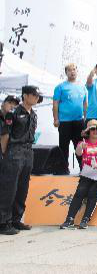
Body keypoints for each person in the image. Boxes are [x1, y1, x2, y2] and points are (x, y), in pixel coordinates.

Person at [59, 120, 97, 230]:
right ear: (88, 131)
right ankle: (69, 219)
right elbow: (78, 153)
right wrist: (81, 147)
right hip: (87, 173)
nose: (95, 131)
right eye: (92, 129)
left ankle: (85, 219)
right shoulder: (82, 142)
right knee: (80, 192)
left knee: (92, 192)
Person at [0, 85, 41, 235]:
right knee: (9, 188)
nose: (36, 98)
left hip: (28, 151)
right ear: (25, 95)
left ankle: (16, 219)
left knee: (23, 187)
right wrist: (5, 154)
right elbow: (5, 135)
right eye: (34, 95)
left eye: (38, 96)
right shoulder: (14, 113)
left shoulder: (34, 114)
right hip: (14, 151)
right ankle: (3, 222)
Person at [53, 63, 88, 174]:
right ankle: (63, 169)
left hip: (79, 121)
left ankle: (83, 168)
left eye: (74, 69)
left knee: (80, 145)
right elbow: (55, 103)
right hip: (64, 122)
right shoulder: (60, 87)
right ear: (66, 73)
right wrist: (56, 119)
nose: (72, 72)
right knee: (63, 146)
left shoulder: (83, 87)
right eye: (69, 70)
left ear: (77, 71)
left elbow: (85, 104)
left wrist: (86, 119)